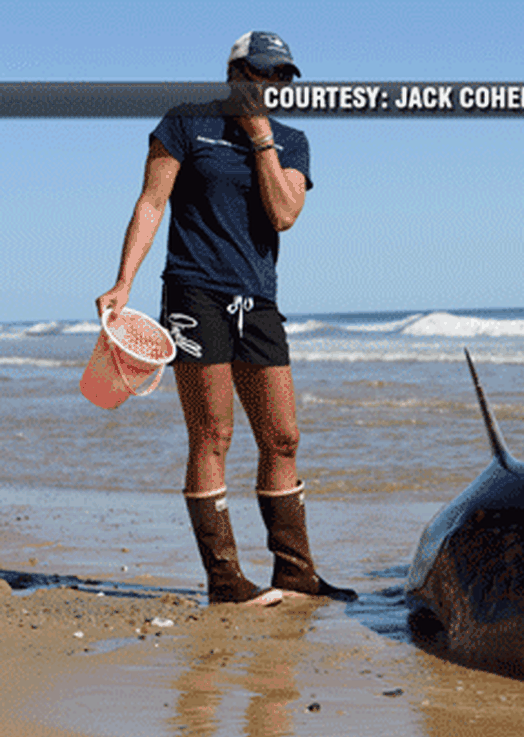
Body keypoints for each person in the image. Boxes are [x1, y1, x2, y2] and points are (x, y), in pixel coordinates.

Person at [95, 32, 354, 605]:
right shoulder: (186, 123)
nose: (273, 86)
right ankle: (225, 580)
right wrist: (123, 282)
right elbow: (151, 203)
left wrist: (262, 139)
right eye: (263, 75)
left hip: (258, 299)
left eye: (283, 77)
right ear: (235, 74)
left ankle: (295, 572)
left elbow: (285, 215)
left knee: (282, 437)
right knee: (213, 433)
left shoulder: (292, 142)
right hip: (195, 293)